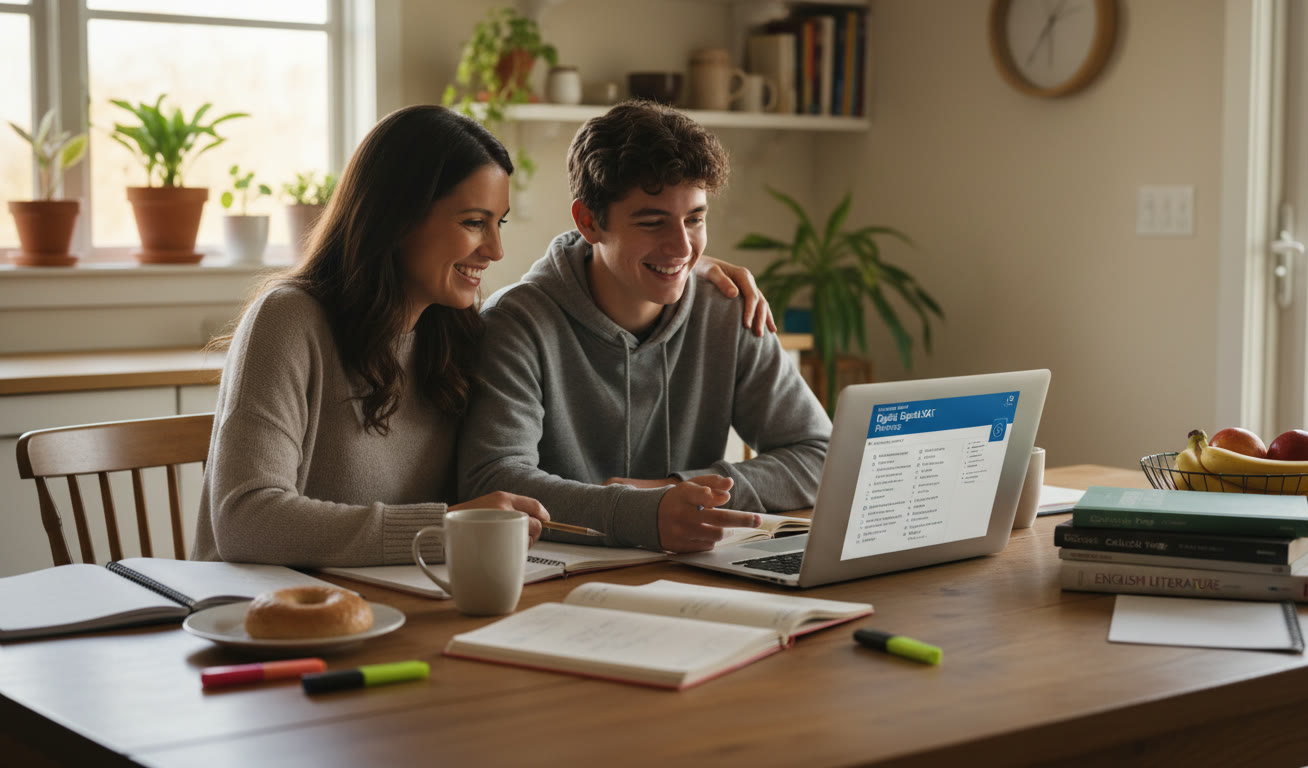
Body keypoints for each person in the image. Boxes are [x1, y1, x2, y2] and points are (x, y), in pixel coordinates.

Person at [193, 104, 774, 567]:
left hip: (401, 609)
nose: (494, 251)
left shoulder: (456, 334)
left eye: (497, 224)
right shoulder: (288, 320)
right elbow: (247, 518)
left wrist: (688, 265)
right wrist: (448, 528)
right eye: (473, 223)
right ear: (395, 218)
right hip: (262, 626)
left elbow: (598, 259)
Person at [458, 100, 832, 555]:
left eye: (695, 219)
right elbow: (494, 478)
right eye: (653, 222)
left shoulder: (728, 310)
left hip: (696, 574)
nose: (682, 246)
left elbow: (820, 452)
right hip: (560, 582)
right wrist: (640, 513)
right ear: (588, 221)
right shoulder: (517, 323)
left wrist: (678, 489)